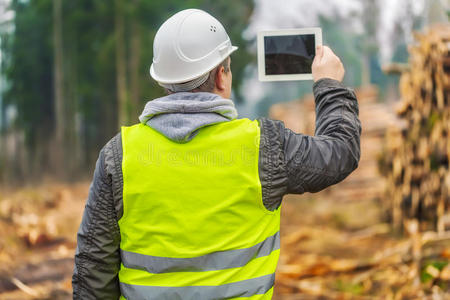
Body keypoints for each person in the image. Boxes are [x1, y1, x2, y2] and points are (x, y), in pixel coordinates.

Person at [72, 8, 361, 300]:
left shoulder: (119, 155)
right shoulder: (264, 147)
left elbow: (93, 270)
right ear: (222, 76)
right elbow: (340, 152)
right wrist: (329, 86)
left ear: (164, 81)